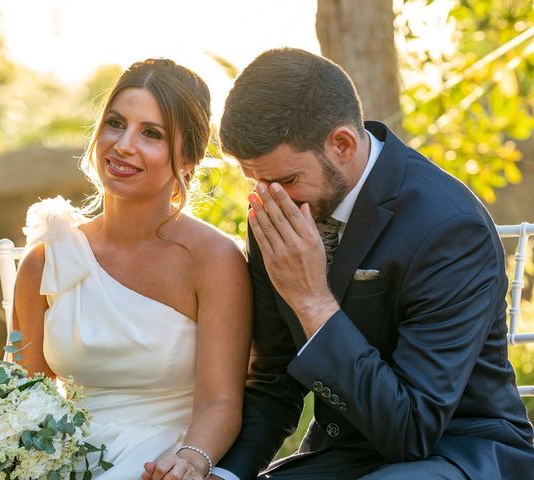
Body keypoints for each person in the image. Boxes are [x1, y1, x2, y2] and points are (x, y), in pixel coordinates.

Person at [210, 48, 534, 480]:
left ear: (341, 144)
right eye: (257, 181)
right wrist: (224, 475)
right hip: (346, 456)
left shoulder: (449, 229)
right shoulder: (278, 216)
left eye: (286, 179)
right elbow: (273, 382)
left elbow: (411, 430)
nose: (273, 198)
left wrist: (311, 301)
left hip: (459, 451)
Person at [13, 58, 252, 480]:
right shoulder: (46, 261)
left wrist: (192, 459)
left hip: (163, 462)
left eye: (152, 134)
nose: (124, 145)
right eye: (116, 123)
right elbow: (23, 397)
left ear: (188, 158)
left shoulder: (214, 261)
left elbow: (221, 401)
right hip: (61, 463)